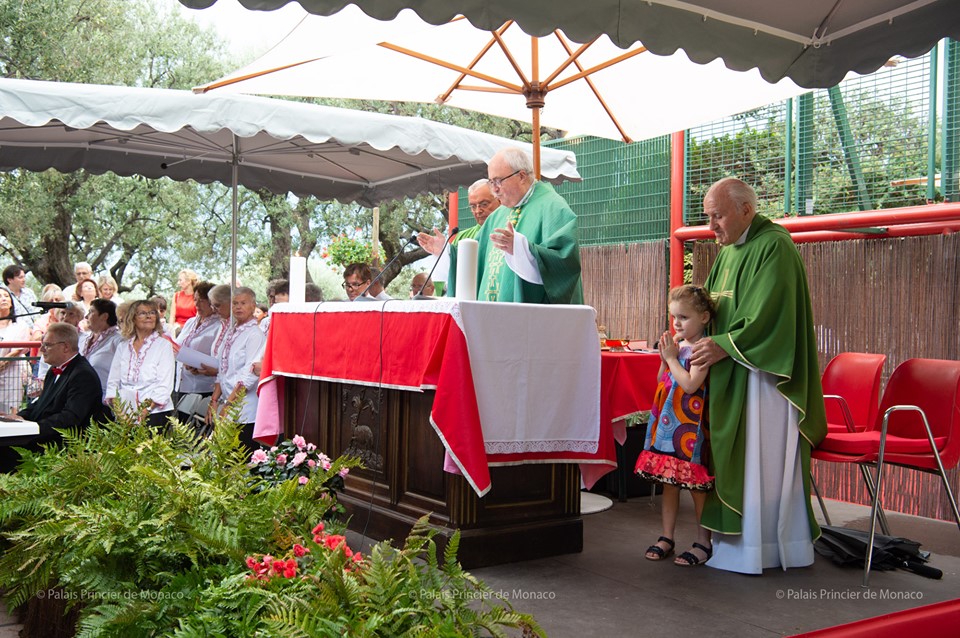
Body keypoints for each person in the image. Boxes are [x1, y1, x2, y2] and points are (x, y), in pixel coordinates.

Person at [689, 177, 826, 574]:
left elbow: (772, 317)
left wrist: (725, 346)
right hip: (731, 373)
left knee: (757, 460)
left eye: (717, 216)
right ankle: (731, 546)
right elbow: (711, 307)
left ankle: (763, 548)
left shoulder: (775, 246)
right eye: (708, 217)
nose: (711, 226)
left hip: (763, 379)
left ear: (745, 210)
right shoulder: (729, 251)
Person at [433, 148, 583, 304]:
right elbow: (475, 261)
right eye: (491, 182)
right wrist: (446, 252)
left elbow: (564, 264)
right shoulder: (497, 216)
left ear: (522, 176)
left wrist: (520, 248)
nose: (495, 189)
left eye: (498, 181)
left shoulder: (553, 207)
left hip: (532, 320)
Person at [635, 285, 716, 566]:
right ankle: (666, 537)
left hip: (690, 428)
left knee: (696, 486)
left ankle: (703, 541)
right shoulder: (678, 346)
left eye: (684, 317)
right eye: (674, 317)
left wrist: (671, 358)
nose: (677, 323)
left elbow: (692, 384)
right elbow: (663, 379)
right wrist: (665, 359)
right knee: (670, 483)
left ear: (704, 317)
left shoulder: (703, 348)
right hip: (669, 423)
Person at [13, 323, 105, 444]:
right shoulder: (53, 370)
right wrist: (20, 417)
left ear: (65, 347)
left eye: (47, 345)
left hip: (62, 443)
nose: (41, 350)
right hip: (44, 433)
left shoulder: (83, 375)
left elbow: (70, 417)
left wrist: (34, 428)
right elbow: (41, 403)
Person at [206, 287, 265, 452]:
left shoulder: (255, 334)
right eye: (235, 303)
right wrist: (214, 400)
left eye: (243, 303)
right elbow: (222, 370)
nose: (238, 307)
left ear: (253, 306)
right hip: (228, 401)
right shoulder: (231, 331)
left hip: (244, 408)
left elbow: (249, 375)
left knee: (240, 458)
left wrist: (228, 406)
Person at [105, 299, 176, 430]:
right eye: (142, 313)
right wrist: (120, 412)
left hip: (154, 413)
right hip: (124, 412)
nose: (149, 316)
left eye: (152, 312)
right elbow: (113, 381)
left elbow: (164, 385)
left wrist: (144, 411)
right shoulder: (123, 346)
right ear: (132, 318)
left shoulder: (163, 345)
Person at [174, 281, 219, 406]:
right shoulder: (190, 322)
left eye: (202, 300)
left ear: (212, 302)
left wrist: (199, 366)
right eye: (195, 300)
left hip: (205, 386)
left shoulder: (220, 324)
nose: (197, 304)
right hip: (182, 383)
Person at [79, 298, 123, 401]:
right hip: (81, 397)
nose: (86, 316)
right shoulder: (83, 339)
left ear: (104, 316)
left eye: (91, 312)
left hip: (105, 401)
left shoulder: (118, 341)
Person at [0, 285, 30, 413]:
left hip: (12, 372)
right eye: (0, 297)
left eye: (6, 296)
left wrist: (2, 362)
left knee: (8, 412)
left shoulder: (20, 325)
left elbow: (18, 349)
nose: (3, 299)